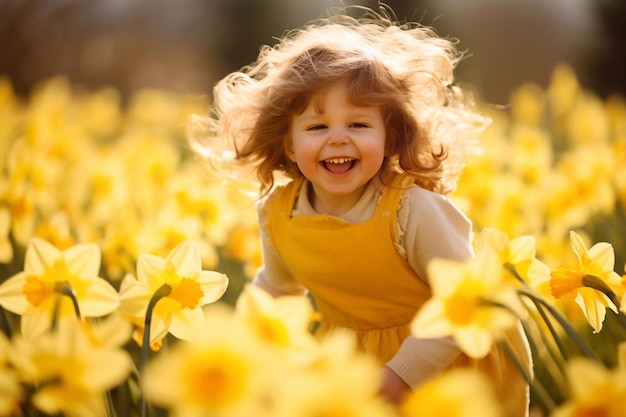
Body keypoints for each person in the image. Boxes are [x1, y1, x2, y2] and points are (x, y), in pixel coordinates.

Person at [190, 5, 531, 415]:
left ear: (390, 139)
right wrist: (240, 347)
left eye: (358, 125)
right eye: (317, 127)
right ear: (290, 146)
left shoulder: (412, 211)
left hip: (449, 361)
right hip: (354, 365)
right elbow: (277, 289)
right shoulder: (280, 214)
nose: (338, 139)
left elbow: (466, 299)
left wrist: (401, 375)